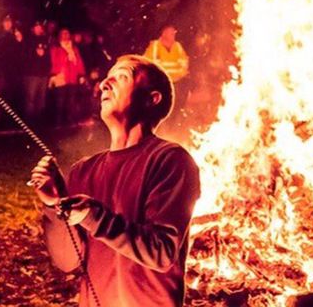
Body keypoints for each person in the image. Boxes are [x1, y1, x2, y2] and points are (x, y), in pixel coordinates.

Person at [29, 55, 200, 307]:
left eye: (122, 76)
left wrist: (95, 216)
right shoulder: (83, 171)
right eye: (108, 77)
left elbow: (161, 252)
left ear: (152, 99)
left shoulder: (170, 160)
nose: (104, 84)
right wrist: (55, 205)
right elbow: (67, 261)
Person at [143, 25, 190, 117]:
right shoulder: (155, 46)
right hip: (161, 84)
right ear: (164, 34)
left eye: (174, 33)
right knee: (162, 106)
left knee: (177, 106)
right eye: (171, 33)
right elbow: (147, 63)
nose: (173, 35)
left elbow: (184, 63)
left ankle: (176, 123)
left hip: (176, 83)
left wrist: (180, 74)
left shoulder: (177, 46)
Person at [49, 29, 85, 126]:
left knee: (71, 100)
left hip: (72, 76)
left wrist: (81, 74)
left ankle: (70, 120)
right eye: (63, 33)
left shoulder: (74, 48)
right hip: (61, 77)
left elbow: (79, 62)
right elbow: (54, 62)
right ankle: (58, 121)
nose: (65, 35)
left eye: (67, 33)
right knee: (60, 100)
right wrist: (53, 75)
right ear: (60, 36)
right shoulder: (56, 48)